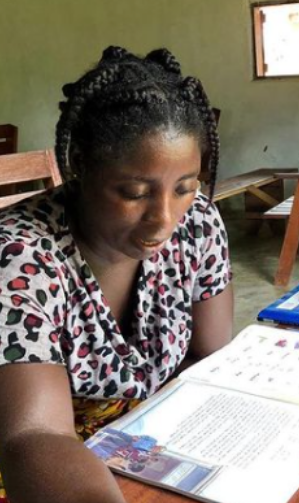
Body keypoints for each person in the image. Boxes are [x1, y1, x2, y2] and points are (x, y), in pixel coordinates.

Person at [0, 46, 233, 503]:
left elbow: (213, 360)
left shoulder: (198, 223)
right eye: (134, 192)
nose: (164, 218)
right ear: (80, 167)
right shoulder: (20, 258)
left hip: (144, 448)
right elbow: (32, 436)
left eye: (185, 187)